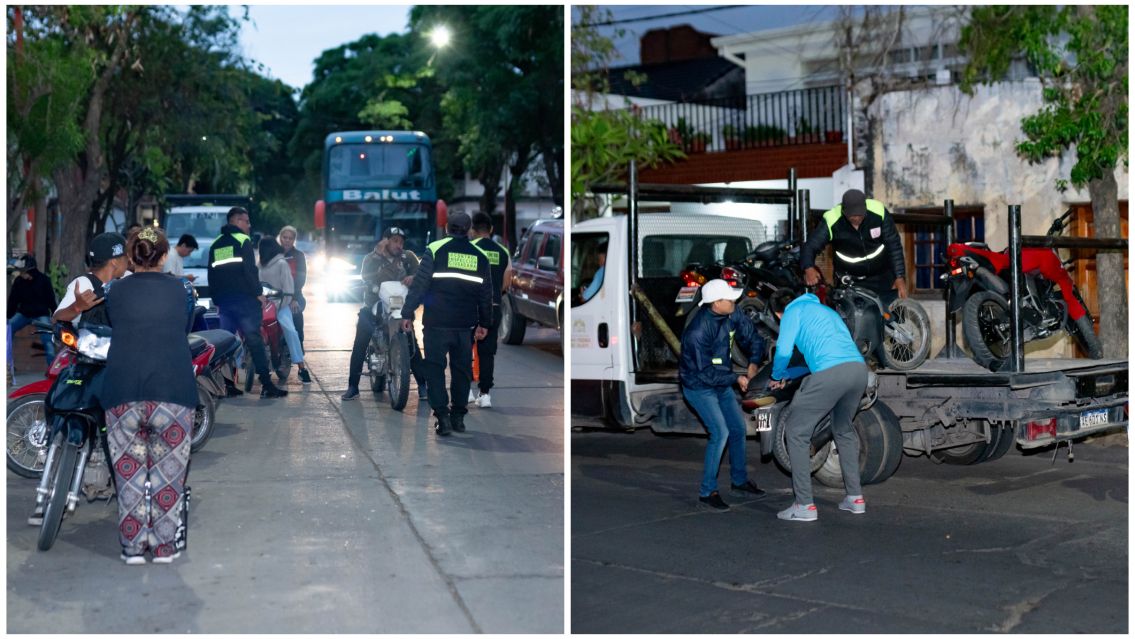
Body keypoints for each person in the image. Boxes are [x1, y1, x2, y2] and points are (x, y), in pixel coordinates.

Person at [101, 226, 196, 564]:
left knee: (130, 475)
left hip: (123, 390)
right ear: (165, 255)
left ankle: (133, 548)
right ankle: (164, 547)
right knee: (168, 475)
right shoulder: (182, 290)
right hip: (173, 390)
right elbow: (183, 327)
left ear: (131, 256)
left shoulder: (114, 291)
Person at [767, 289, 869, 522]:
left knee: (796, 432)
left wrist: (777, 375)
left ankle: (804, 505)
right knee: (843, 430)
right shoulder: (825, 311)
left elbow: (783, 350)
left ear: (778, 313)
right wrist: (788, 375)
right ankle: (855, 498)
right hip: (857, 370)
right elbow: (818, 358)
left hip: (830, 374)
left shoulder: (793, 311)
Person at [679, 279, 767, 511]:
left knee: (737, 430)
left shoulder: (731, 313)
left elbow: (753, 338)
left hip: (721, 381)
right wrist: (736, 379)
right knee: (720, 432)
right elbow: (705, 373)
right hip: (699, 386)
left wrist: (753, 363)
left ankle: (739, 482)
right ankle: (708, 491)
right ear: (716, 303)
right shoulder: (697, 331)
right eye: (729, 298)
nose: (735, 301)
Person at [401, 211, 492, 436]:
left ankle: (442, 417)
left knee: (435, 370)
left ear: (447, 227)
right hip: (465, 326)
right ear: (469, 230)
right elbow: (486, 294)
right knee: (462, 371)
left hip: (436, 324)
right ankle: (458, 417)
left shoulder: (435, 249)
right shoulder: (480, 255)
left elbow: (420, 285)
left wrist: (407, 312)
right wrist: (485, 323)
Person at [207, 206, 287, 398]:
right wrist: (258, 293)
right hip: (244, 300)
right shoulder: (243, 240)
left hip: (224, 302)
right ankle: (267, 385)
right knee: (254, 340)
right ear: (236, 221)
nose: (249, 226)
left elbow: (212, 274)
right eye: (246, 221)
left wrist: (216, 298)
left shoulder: (216, 244)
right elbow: (249, 270)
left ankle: (226, 386)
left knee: (225, 343)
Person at [342, 226, 427, 400]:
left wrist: (414, 278)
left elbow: (421, 273)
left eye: (401, 242)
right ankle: (353, 386)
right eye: (395, 241)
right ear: (385, 241)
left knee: (412, 343)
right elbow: (365, 275)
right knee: (361, 342)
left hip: (401, 308)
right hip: (375, 306)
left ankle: (423, 386)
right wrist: (377, 255)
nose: (399, 245)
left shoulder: (408, 257)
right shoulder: (372, 258)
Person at [799, 188, 908, 306]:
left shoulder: (879, 211)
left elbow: (894, 244)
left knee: (898, 312)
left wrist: (899, 276)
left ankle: (903, 323)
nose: (857, 219)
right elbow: (810, 246)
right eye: (852, 216)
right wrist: (808, 267)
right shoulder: (832, 219)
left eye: (860, 215)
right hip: (851, 281)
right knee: (859, 319)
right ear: (844, 211)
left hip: (883, 276)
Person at [468, 212, 512, 408]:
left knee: (465, 349)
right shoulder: (503, 251)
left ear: (473, 230)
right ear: (491, 230)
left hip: (470, 306)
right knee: (487, 353)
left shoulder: (469, 248)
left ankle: (466, 391)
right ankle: (485, 394)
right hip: (493, 306)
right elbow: (508, 280)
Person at [258, 236, 312, 384]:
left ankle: (301, 368)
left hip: (281, 306)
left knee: (291, 331)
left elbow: (289, 289)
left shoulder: (282, 264)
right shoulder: (260, 265)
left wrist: (280, 305)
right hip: (263, 307)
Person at [54, 232, 130, 327]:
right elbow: (55, 320)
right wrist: (76, 307)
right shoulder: (84, 284)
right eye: (126, 256)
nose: (129, 259)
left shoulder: (127, 278)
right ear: (114, 262)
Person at [7, 254, 57, 367]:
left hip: (41, 314)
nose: (21, 273)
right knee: (8, 328)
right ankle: (7, 366)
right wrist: (8, 316)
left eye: (23, 271)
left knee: (47, 339)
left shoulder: (44, 280)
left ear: (31, 270)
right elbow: (13, 301)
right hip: (24, 314)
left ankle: (52, 368)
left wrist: (55, 316)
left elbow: (51, 300)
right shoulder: (19, 282)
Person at [277, 225, 307, 347]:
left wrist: (293, 298)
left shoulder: (299, 255)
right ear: (280, 238)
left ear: (294, 240)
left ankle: (299, 342)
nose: (287, 240)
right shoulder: (273, 254)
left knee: (296, 311)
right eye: (285, 237)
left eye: (290, 238)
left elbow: (301, 278)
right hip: (276, 296)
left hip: (295, 295)